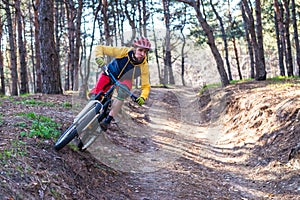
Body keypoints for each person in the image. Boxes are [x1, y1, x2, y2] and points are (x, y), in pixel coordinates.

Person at [89, 36, 151, 131]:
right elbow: (100, 48)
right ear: (134, 49)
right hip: (110, 73)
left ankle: (108, 120)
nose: (143, 54)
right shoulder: (124, 52)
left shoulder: (144, 65)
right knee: (96, 96)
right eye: (140, 50)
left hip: (125, 80)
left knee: (122, 93)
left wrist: (143, 97)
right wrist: (99, 57)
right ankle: (87, 115)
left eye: (145, 51)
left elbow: (146, 85)